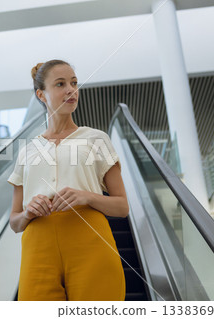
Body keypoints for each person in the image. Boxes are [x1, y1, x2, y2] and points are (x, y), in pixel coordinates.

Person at [7, 59, 129, 301]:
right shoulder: (27, 150)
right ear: (41, 94)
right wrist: (28, 212)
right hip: (38, 246)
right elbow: (14, 222)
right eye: (60, 84)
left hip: (90, 238)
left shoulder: (97, 139)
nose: (71, 90)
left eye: (74, 83)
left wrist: (86, 196)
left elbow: (122, 207)